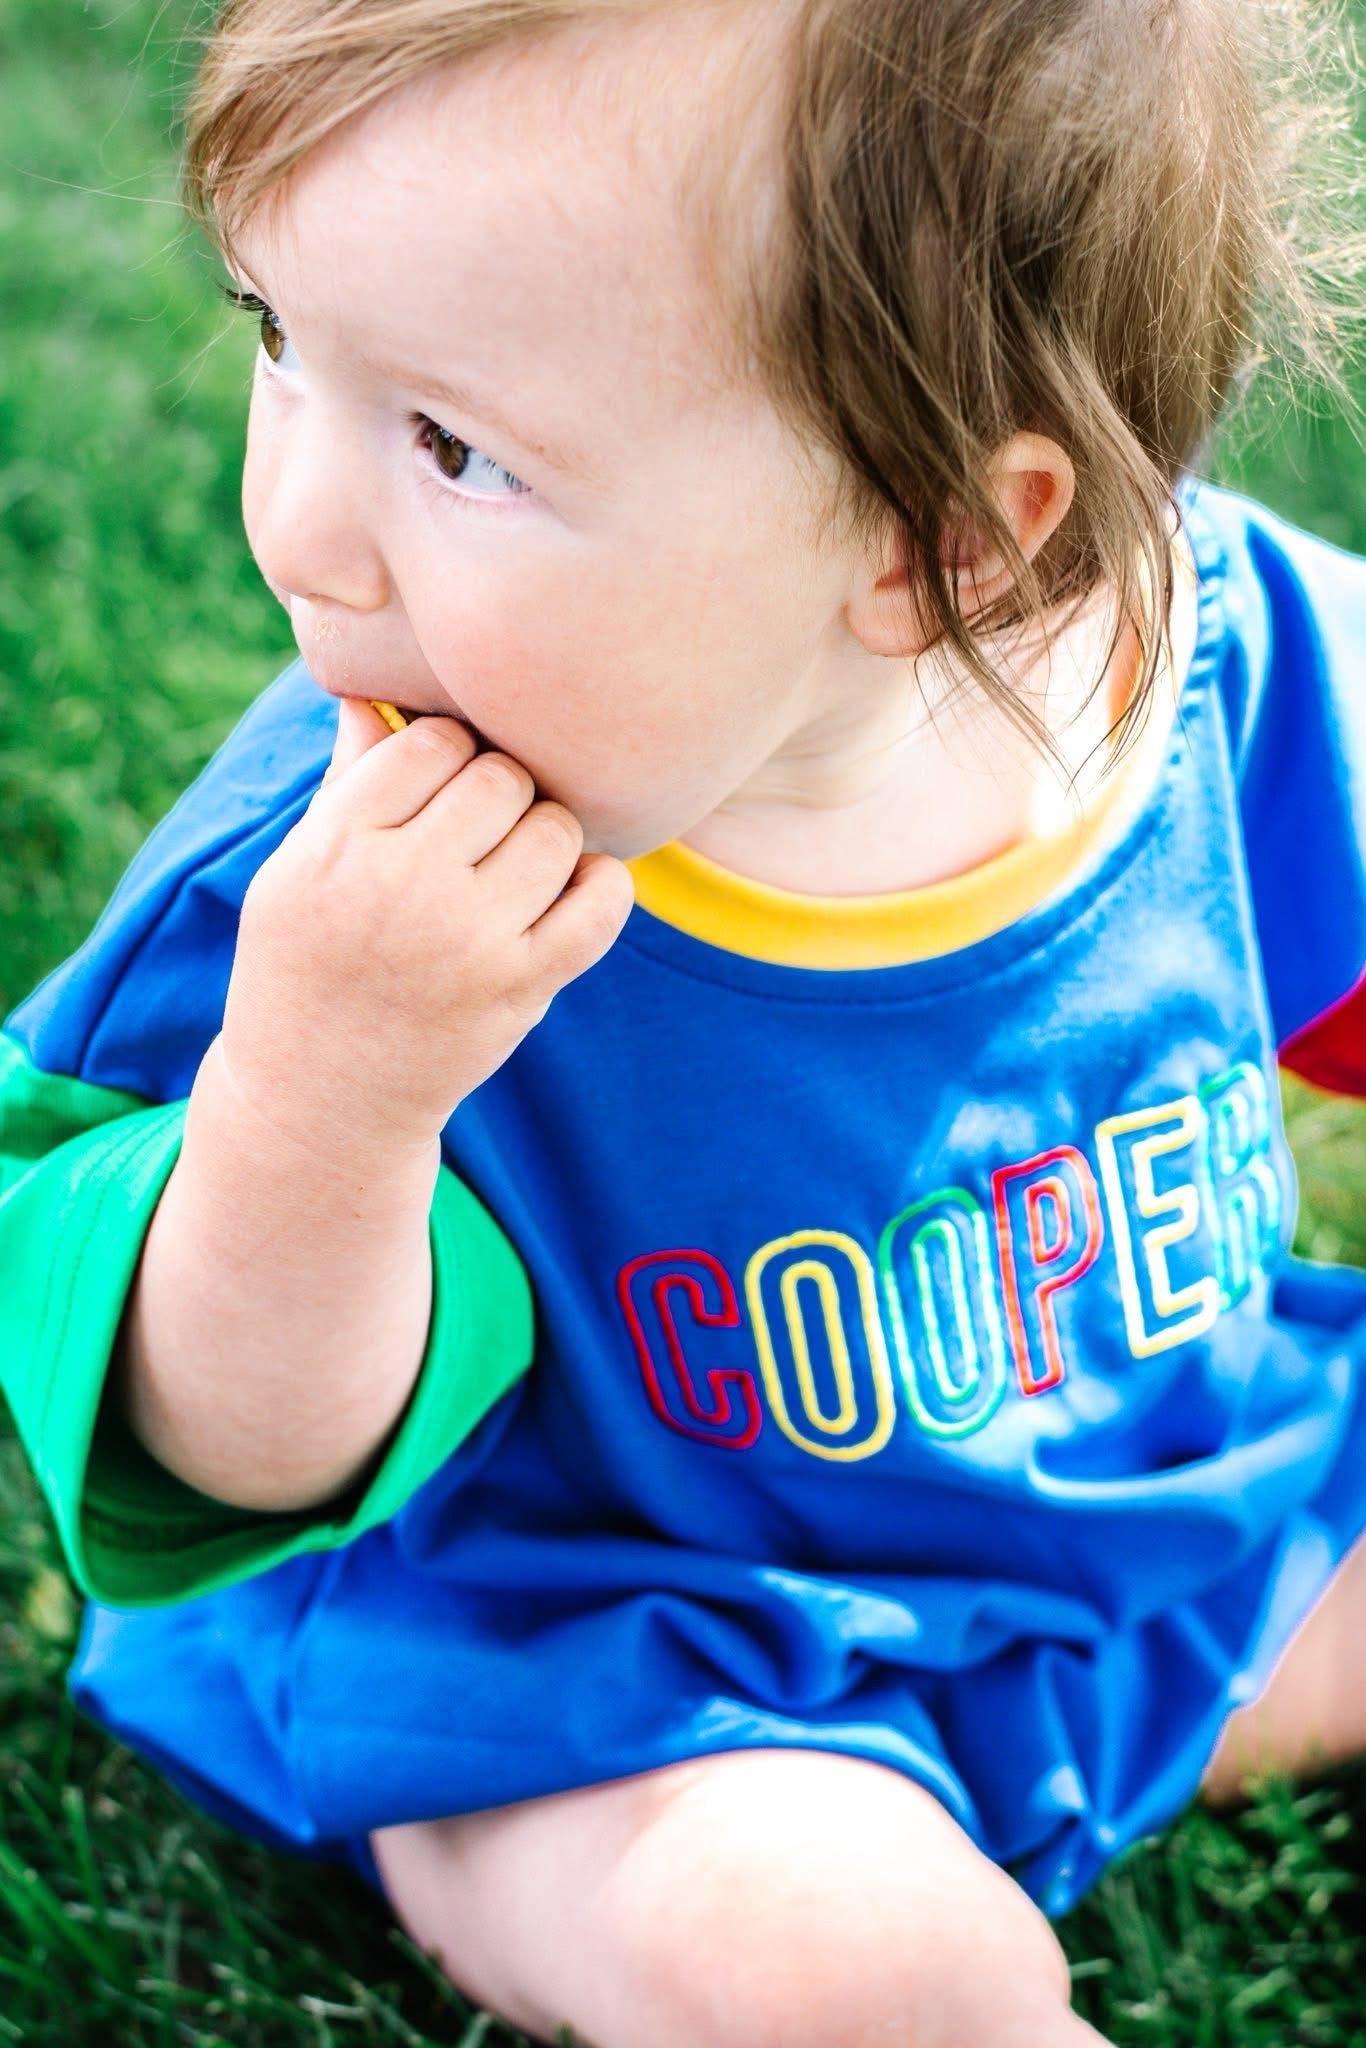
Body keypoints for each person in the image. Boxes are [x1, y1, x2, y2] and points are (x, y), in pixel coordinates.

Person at [2, 1, 1365, 2041]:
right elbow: (225, 1456)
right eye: (279, 334)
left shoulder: (1215, 659)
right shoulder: (337, 899)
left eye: (454, 447)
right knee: (841, 1971)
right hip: (611, 1673)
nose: (289, 517)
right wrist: (324, 1096)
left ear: (948, 549)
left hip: (1178, 1510)